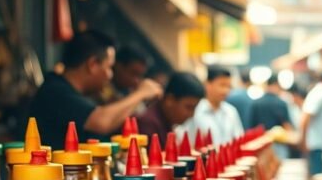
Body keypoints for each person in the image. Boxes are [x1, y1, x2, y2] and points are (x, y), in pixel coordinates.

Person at [28, 31, 162, 146]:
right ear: (93, 64)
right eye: (109, 67)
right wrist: (141, 93)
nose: (110, 75)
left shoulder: (71, 91)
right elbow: (102, 122)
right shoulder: (55, 92)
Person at [176, 65, 244, 146]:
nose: (226, 91)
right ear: (208, 85)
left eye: (229, 87)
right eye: (222, 85)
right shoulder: (194, 110)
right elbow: (181, 137)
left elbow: (239, 137)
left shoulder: (231, 111)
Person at [136, 71, 205, 144]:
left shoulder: (166, 121)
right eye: (189, 107)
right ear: (170, 100)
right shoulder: (148, 123)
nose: (192, 114)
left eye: (194, 108)